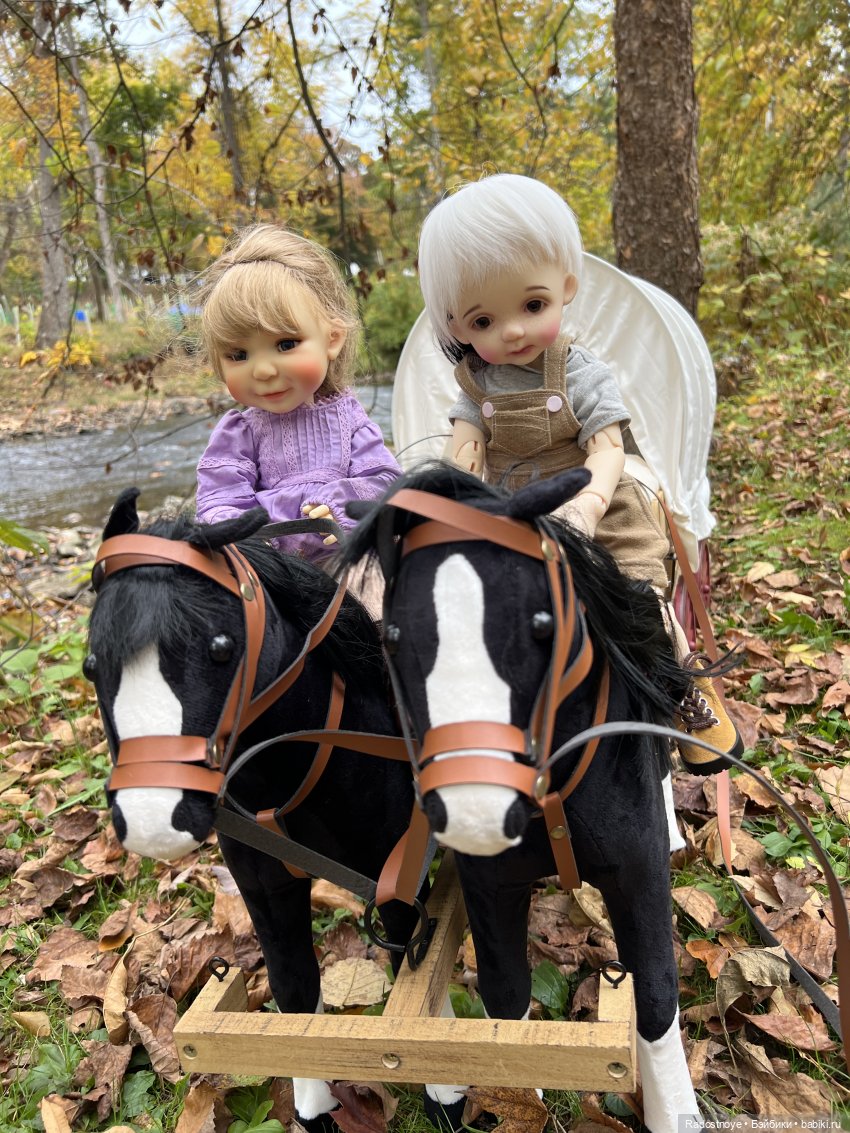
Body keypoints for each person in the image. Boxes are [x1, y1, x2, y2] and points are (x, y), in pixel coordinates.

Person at [417, 173, 742, 774]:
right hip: (516, 508)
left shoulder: (579, 371)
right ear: (458, 327)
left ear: (565, 288)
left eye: (532, 305)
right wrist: (457, 489)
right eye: (483, 321)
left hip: (595, 500)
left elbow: (608, 448)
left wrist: (589, 501)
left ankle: (681, 689)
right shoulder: (475, 384)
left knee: (635, 593)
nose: (511, 330)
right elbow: (463, 449)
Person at [194, 224, 401, 566]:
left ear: (332, 338)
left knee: (381, 608)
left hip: (345, 562)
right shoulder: (240, 432)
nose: (262, 370)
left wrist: (343, 506)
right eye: (238, 355)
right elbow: (220, 495)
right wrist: (240, 537)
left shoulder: (348, 420)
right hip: (272, 573)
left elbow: (384, 481)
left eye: (286, 344)